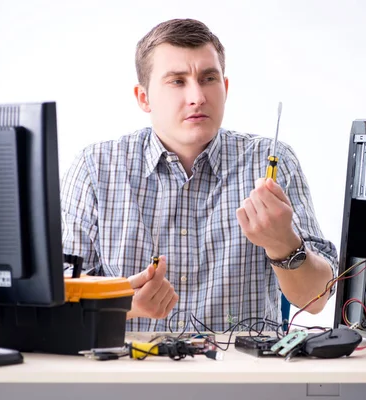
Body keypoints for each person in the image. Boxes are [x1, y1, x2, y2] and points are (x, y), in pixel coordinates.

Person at [60, 18, 338, 332]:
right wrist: (126, 306)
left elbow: (317, 299)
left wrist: (283, 245)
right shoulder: (96, 168)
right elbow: (56, 301)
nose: (198, 97)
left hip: (242, 378)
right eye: (177, 81)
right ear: (143, 98)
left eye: (208, 78)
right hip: (132, 375)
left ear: (226, 87)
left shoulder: (271, 161)